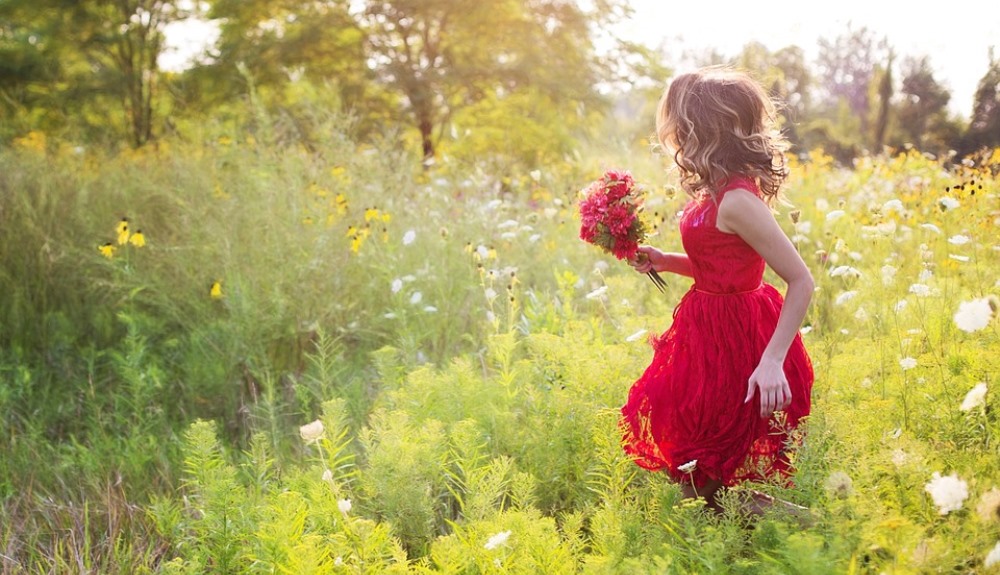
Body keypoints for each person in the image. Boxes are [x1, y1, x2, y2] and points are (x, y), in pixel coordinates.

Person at [620, 66, 815, 516]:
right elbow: (721, 268)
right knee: (696, 472)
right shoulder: (713, 192)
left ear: (701, 128)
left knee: (704, 477)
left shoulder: (738, 200)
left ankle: (810, 528)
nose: (674, 134)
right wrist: (666, 260)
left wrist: (771, 362)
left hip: (740, 342)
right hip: (704, 335)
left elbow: (801, 280)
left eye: (680, 124)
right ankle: (764, 533)